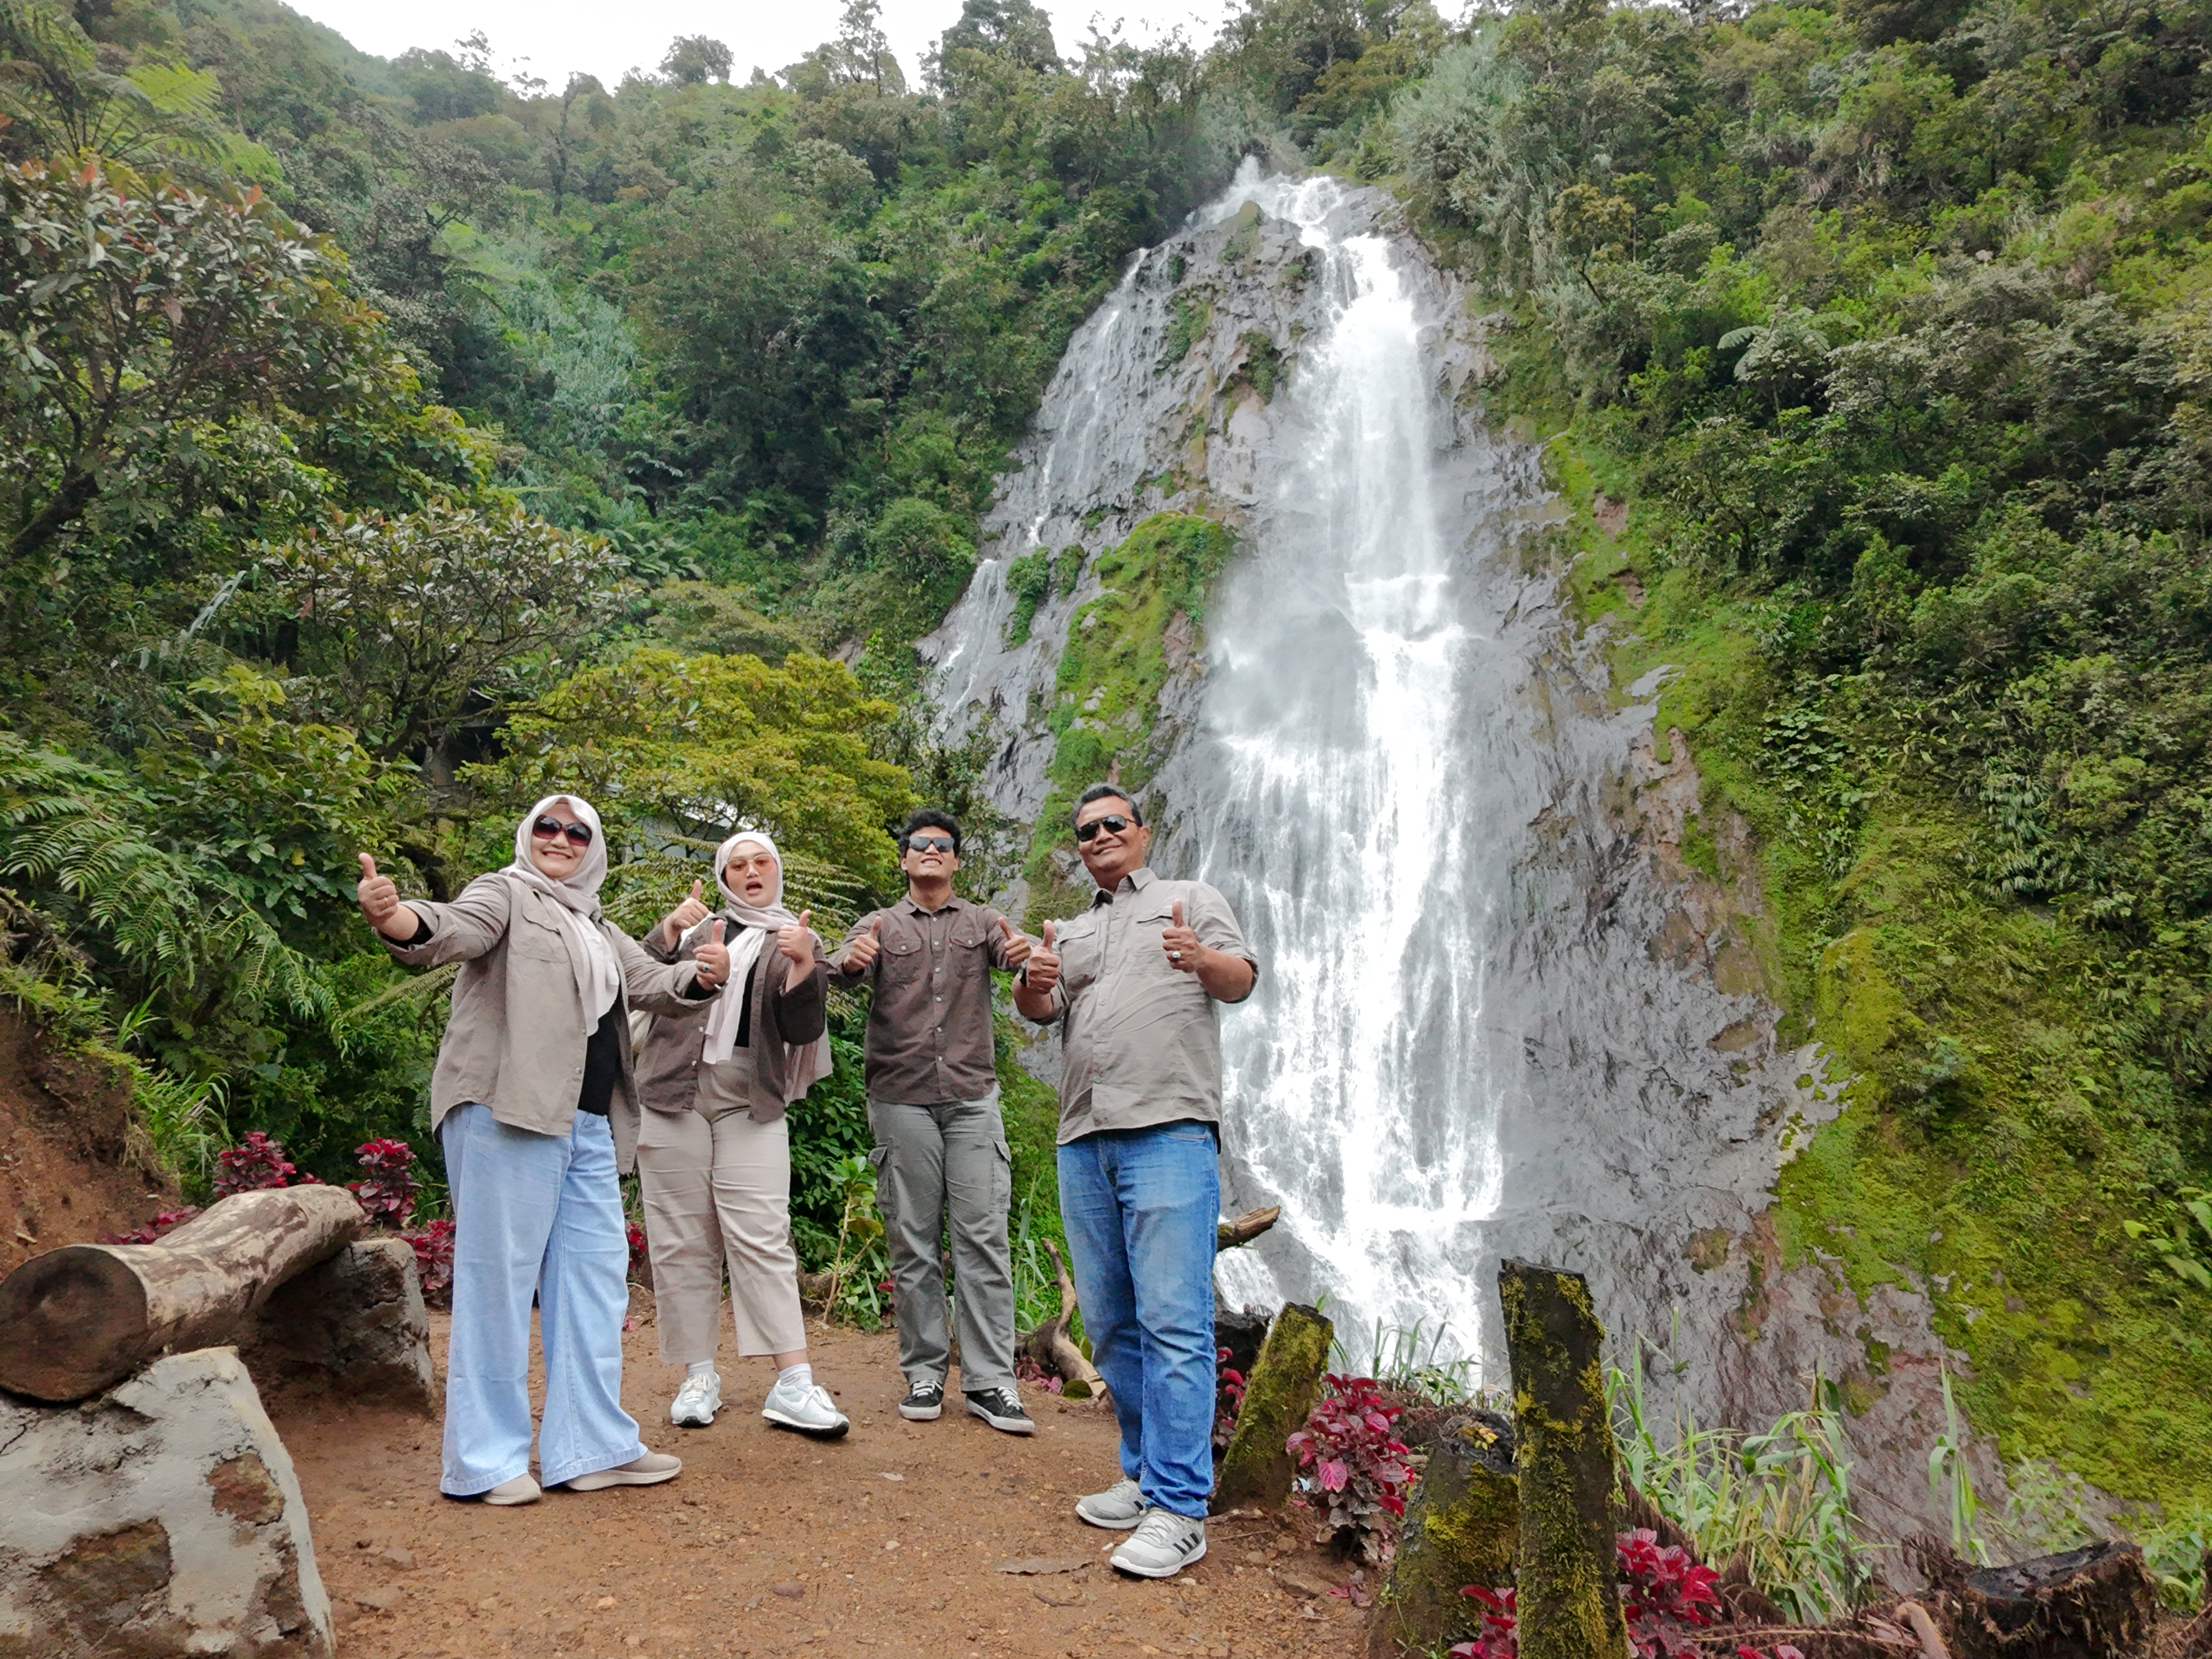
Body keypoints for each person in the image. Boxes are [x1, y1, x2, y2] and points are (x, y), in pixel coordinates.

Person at [356, 795, 731, 1506]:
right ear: (528, 835)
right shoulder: (505, 894)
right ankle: (484, 1463)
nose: (560, 839)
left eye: (577, 832)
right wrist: (393, 917)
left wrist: (705, 974)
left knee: (595, 1282)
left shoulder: (597, 925)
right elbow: (451, 928)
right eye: (548, 828)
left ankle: (590, 1448)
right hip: (505, 1110)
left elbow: (652, 983)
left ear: (594, 847)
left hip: (587, 1124)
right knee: (498, 1283)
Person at [1013, 784, 1258, 1579]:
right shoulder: (1074, 929)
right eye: (1086, 830)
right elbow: (1040, 1009)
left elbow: (1239, 980)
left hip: (1169, 1129)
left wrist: (1200, 957)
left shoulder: (1192, 900)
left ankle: (1181, 1509)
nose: (1100, 835)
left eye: (1114, 823)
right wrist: (1033, 978)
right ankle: (1145, 1474)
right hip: (1084, 1136)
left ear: (1143, 832)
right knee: (1113, 1320)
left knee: (1174, 1321)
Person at [630, 831, 847, 1438]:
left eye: (761, 862)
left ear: (776, 870)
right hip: (672, 1088)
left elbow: (803, 1031)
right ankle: (698, 1376)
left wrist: (804, 964)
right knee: (681, 1238)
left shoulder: (796, 936)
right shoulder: (697, 928)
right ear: (723, 876)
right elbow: (635, 979)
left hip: (751, 1095)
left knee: (763, 1233)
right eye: (738, 865)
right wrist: (669, 931)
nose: (751, 871)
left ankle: (794, 1382)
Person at [831, 809, 1035, 1434]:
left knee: (983, 1238)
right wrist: (851, 960)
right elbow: (842, 967)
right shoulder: (879, 924)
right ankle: (924, 1372)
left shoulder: (983, 921)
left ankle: (991, 1381)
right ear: (904, 859)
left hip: (972, 1097)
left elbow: (1016, 954)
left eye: (942, 845)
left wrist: (1027, 956)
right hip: (901, 1098)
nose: (930, 851)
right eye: (919, 844)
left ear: (955, 860)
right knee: (912, 1239)